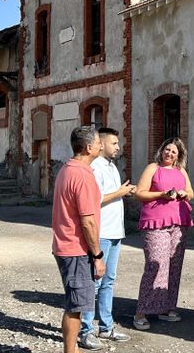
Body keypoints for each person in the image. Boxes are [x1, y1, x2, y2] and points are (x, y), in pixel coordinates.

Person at [78, 127, 137, 350]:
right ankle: (86, 330)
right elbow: (95, 200)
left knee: (109, 281)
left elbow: (111, 195)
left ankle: (106, 326)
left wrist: (125, 191)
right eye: (114, 143)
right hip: (101, 233)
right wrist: (120, 193)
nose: (118, 147)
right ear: (101, 144)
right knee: (93, 282)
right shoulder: (94, 167)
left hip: (115, 232)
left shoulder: (112, 166)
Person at [51, 126, 106, 353]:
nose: (102, 145)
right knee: (76, 306)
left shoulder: (67, 169)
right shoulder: (82, 175)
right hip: (75, 248)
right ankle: (70, 350)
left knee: (76, 303)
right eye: (98, 142)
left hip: (65, 245)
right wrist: (98, 255)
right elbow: (88, 222)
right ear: (88, 147)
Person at [132, 137, 194, 330]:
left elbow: (191, 193)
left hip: (179, 223)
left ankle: (166, 308)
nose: (170, 153)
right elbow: (140, 192)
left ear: (179, 155)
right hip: (155, 223)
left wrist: (184, 193)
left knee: (174, 267)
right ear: (162, 150)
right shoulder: (153, 168)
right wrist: (161, 194)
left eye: (174, 152)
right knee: (155, 265)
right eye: (167, 150)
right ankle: (142, 311)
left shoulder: (181, 171)